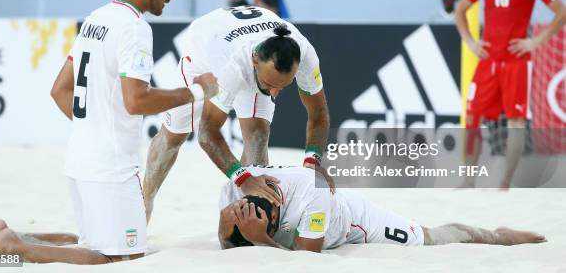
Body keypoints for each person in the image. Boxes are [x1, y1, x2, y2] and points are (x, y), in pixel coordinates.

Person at [0, 0, 218, 264]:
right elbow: (136, 101)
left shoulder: (96, 18)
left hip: (80, 159)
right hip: (111, 168)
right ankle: (15, 245)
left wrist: (95, 125)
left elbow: (59, 89)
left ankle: (1, 234)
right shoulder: (135, 28)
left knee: (90, 243)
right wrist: (198, 92)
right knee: (119, 259)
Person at [143, 5, 330, 223]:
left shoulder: (305, 55)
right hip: (205, 48)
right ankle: (145, 199)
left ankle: (251, 223)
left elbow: (318, 112)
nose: (276, 93)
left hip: (245, 42)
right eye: (271, 84)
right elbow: (207, 133)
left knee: (258, 136)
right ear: (255, 61)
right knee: (175, 135)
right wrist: (242, 178)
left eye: (284, 86)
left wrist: (313, 162)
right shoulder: (232, 67)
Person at [454, 0, 566, 188]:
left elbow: (561, 12)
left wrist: (536, 41)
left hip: (517, 62)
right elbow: (460, 11)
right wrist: (470, 41)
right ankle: (468, 179)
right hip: (488, 61)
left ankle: (505, 182)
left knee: (516, 121)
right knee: (472, 116)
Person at [218, 165, 547, 251]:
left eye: (270, 222)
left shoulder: (310, 191)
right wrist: (230, 225)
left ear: (276, 209)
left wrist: (262, 241)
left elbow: (307, 259)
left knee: (430, 239)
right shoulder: (235, 188)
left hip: (353, 223)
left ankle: (496, 236)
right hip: (298, 229)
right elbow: (227, 240)